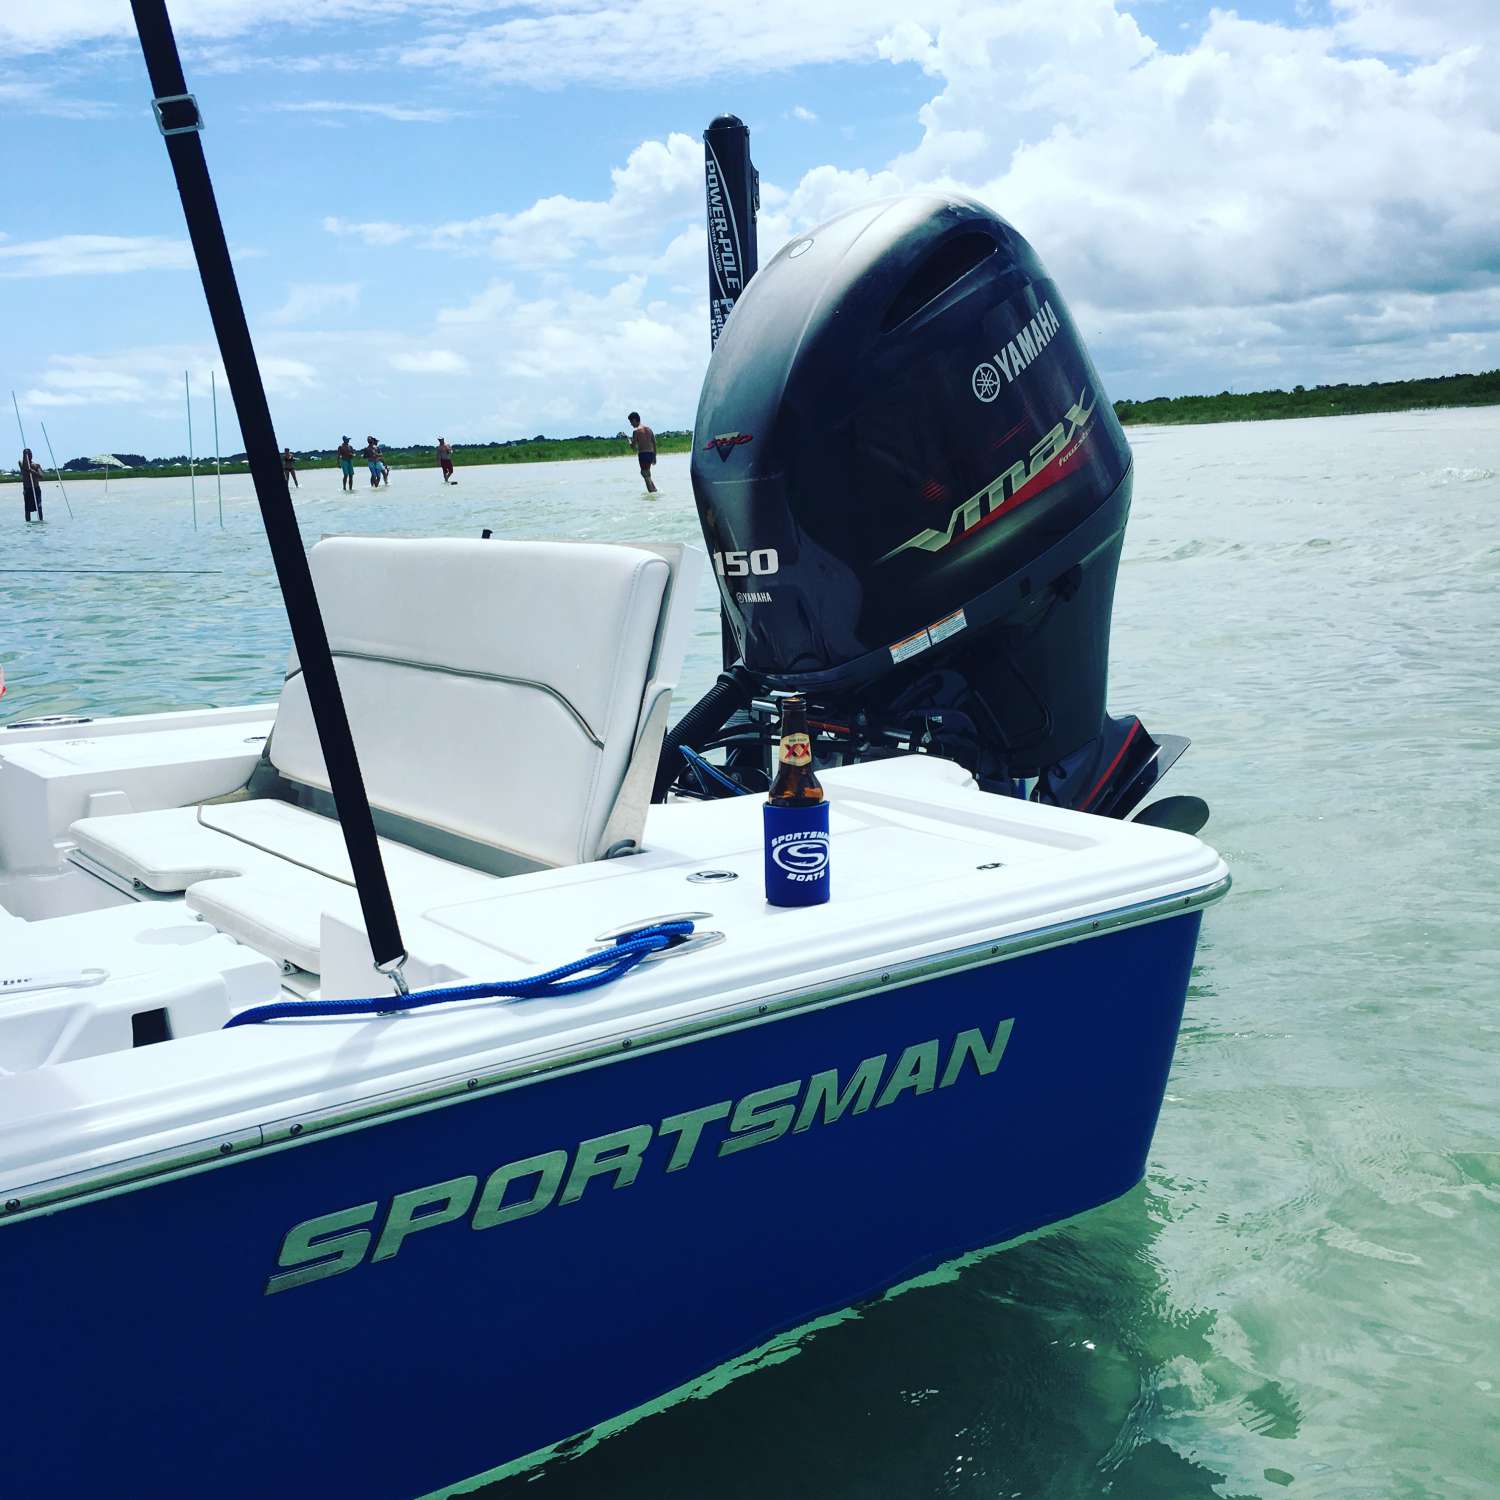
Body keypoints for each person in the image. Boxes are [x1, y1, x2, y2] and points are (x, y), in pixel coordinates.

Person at [627, 411, 657, 494]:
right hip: (650, 453)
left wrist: (629, 441)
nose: (631, 424)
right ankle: (654, 490)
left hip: (643, 455)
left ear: (634, 420)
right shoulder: (649, 429)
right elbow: (654, 443)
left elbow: (633, 447)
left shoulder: (636, 431)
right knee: (647, 474)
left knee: (645, 474)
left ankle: (652, 493)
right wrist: (654, 456)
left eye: (631, 422)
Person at [18, 448, 44, 521]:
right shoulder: (21, 463)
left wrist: (32, 471)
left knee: (39, 507)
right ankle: (28, 525)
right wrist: (24, 454)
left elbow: (41, 476)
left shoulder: (36, 465)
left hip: (36, 489)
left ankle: (40, 522)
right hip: (28, 489)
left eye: (30, 454)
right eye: (27, 454)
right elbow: (25, 467)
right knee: (27, 510)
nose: (29, 455)